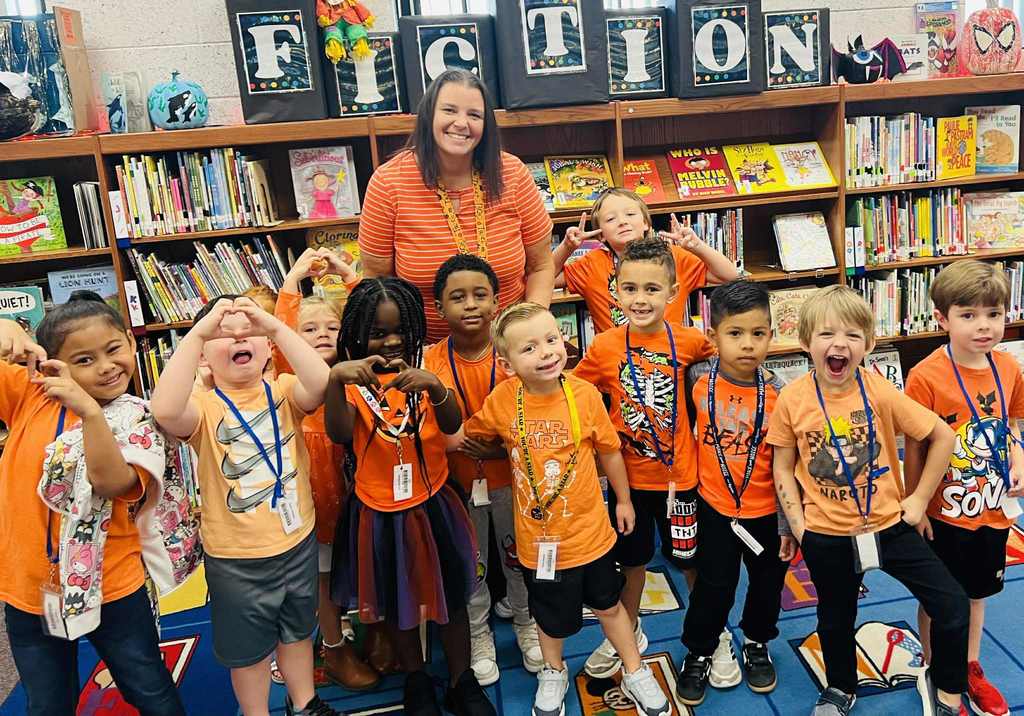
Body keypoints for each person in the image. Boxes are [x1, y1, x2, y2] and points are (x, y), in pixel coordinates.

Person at [767, 285, 969, 716]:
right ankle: (841, 686)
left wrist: (917, 500)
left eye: (852, 335)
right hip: (827, 533)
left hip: (889, 525)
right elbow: (782, 466)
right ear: (805, 342)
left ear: (869, 345)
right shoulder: (792, 399)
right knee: (835, 619)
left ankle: (946, 685)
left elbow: (942, 435)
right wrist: (800, 526)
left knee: (951, 604)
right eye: (826, 334)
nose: (839, 344)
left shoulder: (878, 390)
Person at [463, 302, 671, 716]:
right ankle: (553, 671)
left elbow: (611, 451)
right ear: (506, 363)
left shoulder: (584, 393)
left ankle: (634, 669)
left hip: (592, 535)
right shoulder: (504, 399)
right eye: (530, 348)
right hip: (539, 542)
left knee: (609, 606)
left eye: (552, 340)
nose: (546, 352)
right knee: (549, 618)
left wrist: (624, 499)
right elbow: (473, 434)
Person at [0, 292, 187, 716]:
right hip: (33, 591)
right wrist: (6, 328)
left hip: (112, 589)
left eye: (113, 349)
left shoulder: (141, 418)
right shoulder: (30, 396)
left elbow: (113, 482)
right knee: (48, 702)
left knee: (148, 687)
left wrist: (90, 413)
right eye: (83, 360)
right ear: (52, 365)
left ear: (131, 341)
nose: (105, 366)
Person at [151, 295, 335, 716]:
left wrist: (272, 326)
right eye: (222, 332)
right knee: (247, 653)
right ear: (202, 357)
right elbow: (163, 409)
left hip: (297, 540)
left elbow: (322, 382)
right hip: (237, 558)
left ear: (268, 347)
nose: (238, 335)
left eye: (249, 330)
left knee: (298, 632)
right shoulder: (201, 407)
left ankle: (305, 703)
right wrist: (197, 332)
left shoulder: (285, 391)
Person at [324, 277, 495, 716]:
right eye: (379, 333)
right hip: (378, 513)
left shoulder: (423, 371)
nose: (392, 340)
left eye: (400, 329)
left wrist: (437, 388)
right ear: (358, 335)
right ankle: (416, 676)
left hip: (434, 502)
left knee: (452, 599)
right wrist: (334, 381)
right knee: (396, 601)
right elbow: (340, 433)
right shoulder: (353, 382)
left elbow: (453, 423)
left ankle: (461, 679)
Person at [572, 237, 716, 680]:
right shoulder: (603, 347)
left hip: (682, 480)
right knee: (630, 566)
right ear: (615, 290)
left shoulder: (693, 342)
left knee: (692, 564)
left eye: (652, 289)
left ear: (673, 293)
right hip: (627, 485)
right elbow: (574, 393)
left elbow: (725, 372)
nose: (640, 299)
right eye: (630, 288)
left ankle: (712, 637)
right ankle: (626, 635)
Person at [904, 260, 1024, 716]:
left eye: (993, 314)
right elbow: (914, 448)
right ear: (941, 319)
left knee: (977, 593)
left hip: (991, 507)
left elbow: (1010, 423)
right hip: (941, 510)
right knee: (939, 597)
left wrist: (1019, 456)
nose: (984, 326)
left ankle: (969, 665)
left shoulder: (1009, 365)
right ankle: (938, 668)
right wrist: (915, 508)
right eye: (968, 315)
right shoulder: (926, 376)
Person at [358, 68, 555, 342]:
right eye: (449, 111)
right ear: (429, 116)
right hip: (425, 354)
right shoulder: (389, 182)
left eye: (474, 115)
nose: (461, 124)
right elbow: (377, 281)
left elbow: (541, 267)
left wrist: (527, 331)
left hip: (510, 348)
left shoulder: (513, 173)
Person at [424, 254, 544, 684]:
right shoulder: (431, 363)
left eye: (480, 295)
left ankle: (527, 623)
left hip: (513, 480)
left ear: (498, 302)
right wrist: (461, 444)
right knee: (471, 562)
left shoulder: (518, 355)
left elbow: (538, 414)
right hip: (458, 484)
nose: (470, 304)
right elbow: (427, 428)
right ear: (439, 309)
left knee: (517, 558)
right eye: (457, 297)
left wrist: (499, 450)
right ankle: (478, 633)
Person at [676, 280, 795, 706]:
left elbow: (789, 466)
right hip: (715, 509)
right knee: (713, 587)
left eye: (758, 333)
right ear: (713, 336)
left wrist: (789, 525)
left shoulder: (784, 394)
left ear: (771, 335)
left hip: (766, 514)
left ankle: (758, 642)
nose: (748, 345)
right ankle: (700, 649)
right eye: (735, 333)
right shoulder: (695, 380)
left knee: (767, 585)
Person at [275, 248, 383, 691]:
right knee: (322, 579)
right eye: (310, 329)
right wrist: (292, 282)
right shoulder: (290, 380)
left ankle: (377, 633)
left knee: (367, 567)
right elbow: (280, 331)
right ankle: (334, 647)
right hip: (314, 503)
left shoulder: (354, 371)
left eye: (332, 327)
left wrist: (351, 276)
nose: (323, 334)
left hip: (361, 496)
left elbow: (369, 320)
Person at [553, 187, 738, 334]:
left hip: (670, 358)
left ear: (646, 223)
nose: (622, 221)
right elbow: (546, 279)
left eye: (630, 214)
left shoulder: (674, 257)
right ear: (600, 235)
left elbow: (729, 275)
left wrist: (697, 246)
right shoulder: (591, 265)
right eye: (610, 219)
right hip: (614, 364)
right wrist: (566, 247)